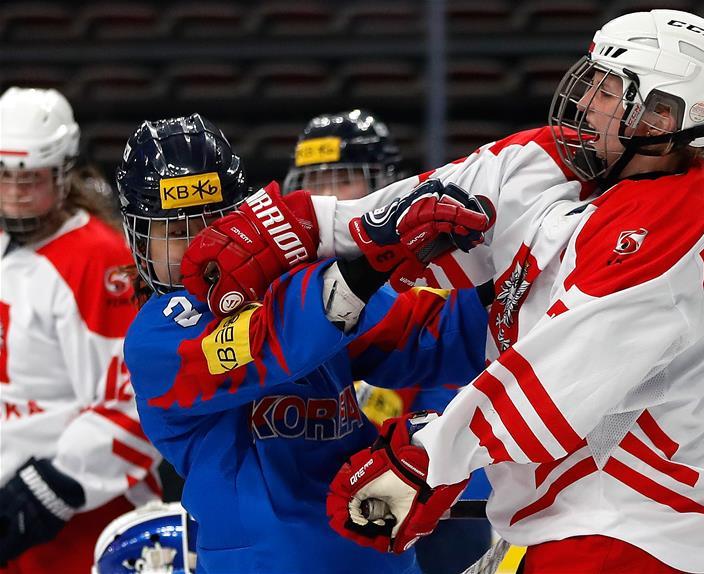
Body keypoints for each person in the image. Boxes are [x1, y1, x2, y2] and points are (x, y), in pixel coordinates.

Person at [182, 9, 704, 573]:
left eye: (610, 93)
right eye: (592, 83)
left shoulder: (665, 238)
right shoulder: (556, 161)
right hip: (574, 523)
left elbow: (553, 385)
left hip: (634, 529)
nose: (585, 103)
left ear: (660, 118)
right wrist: (301, 226)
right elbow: (432, 202)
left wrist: (428, 461)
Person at [118, 113, 493, 573]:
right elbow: (266, 347)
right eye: (176, 233)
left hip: (378, 559)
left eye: (214, 223)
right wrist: (373, 256)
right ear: (142, 241)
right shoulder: (156, 338)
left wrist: (514, 283)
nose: (198, 245)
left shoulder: (294, 289)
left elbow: (427, 336)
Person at [283, 109, 494, 574]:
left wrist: (416, 455)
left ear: (387, 186)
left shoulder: (435, 276)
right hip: (341, 507)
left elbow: (454, 388)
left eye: (344, 179)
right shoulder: (297, 292)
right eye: (314, 181)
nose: (328, 197)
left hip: (434, 495)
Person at [0, 87, 161, 573]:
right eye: (3, 177)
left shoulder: (99, 259)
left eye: (30, 178)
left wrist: (50, 487)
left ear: (63, 171)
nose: (14, 192)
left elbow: (142, 398)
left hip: (87, 520)